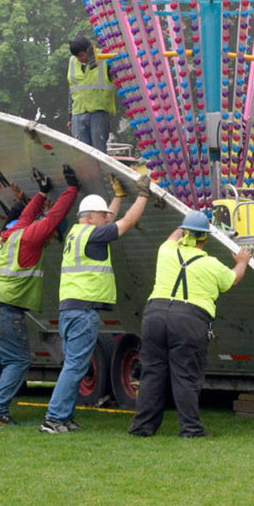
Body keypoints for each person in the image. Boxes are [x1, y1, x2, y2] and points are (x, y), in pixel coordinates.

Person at [0, 165, 80, 426]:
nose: (53, 240)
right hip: (2, 309)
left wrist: (41, 194)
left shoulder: (13, 234)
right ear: (48, 232)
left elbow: (28, 217)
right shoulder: (31, 239)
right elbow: (53, 217)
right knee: (17, 360)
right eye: (55, 237)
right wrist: (72, 189)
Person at [40, 172, 151, 433]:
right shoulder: (93, 235)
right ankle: (54, 419)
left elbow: (109, 219)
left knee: (74, 366)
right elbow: (127, 222)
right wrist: (143, 194)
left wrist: (118, 197)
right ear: (90, 218)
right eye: (102, 216)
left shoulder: (76, 234)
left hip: (71, 310)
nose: (106, 219)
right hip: (82, 312)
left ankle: (63, 418)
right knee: (75, 366)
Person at [129, 212, 252, 438]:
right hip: (189, 320)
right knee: (185, 376)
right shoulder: (212, 265)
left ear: (184, 233)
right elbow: (234, 278)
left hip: (154, 316)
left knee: (151, 374)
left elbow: (171, 237)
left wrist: (184, 224)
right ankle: (191, 429)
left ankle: (142, 428)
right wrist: (242, 261)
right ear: (205, 239)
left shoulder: (165, 251)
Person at [66, 35, 117, 153]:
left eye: (81, 55)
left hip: (98, 112)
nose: (79, 59)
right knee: (80, 152)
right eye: (77, 56)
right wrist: (70, 116)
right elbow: (72, 90)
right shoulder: (73, 61)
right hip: (78, 113)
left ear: (89, 50)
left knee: (98, 151)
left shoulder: (105, 58)